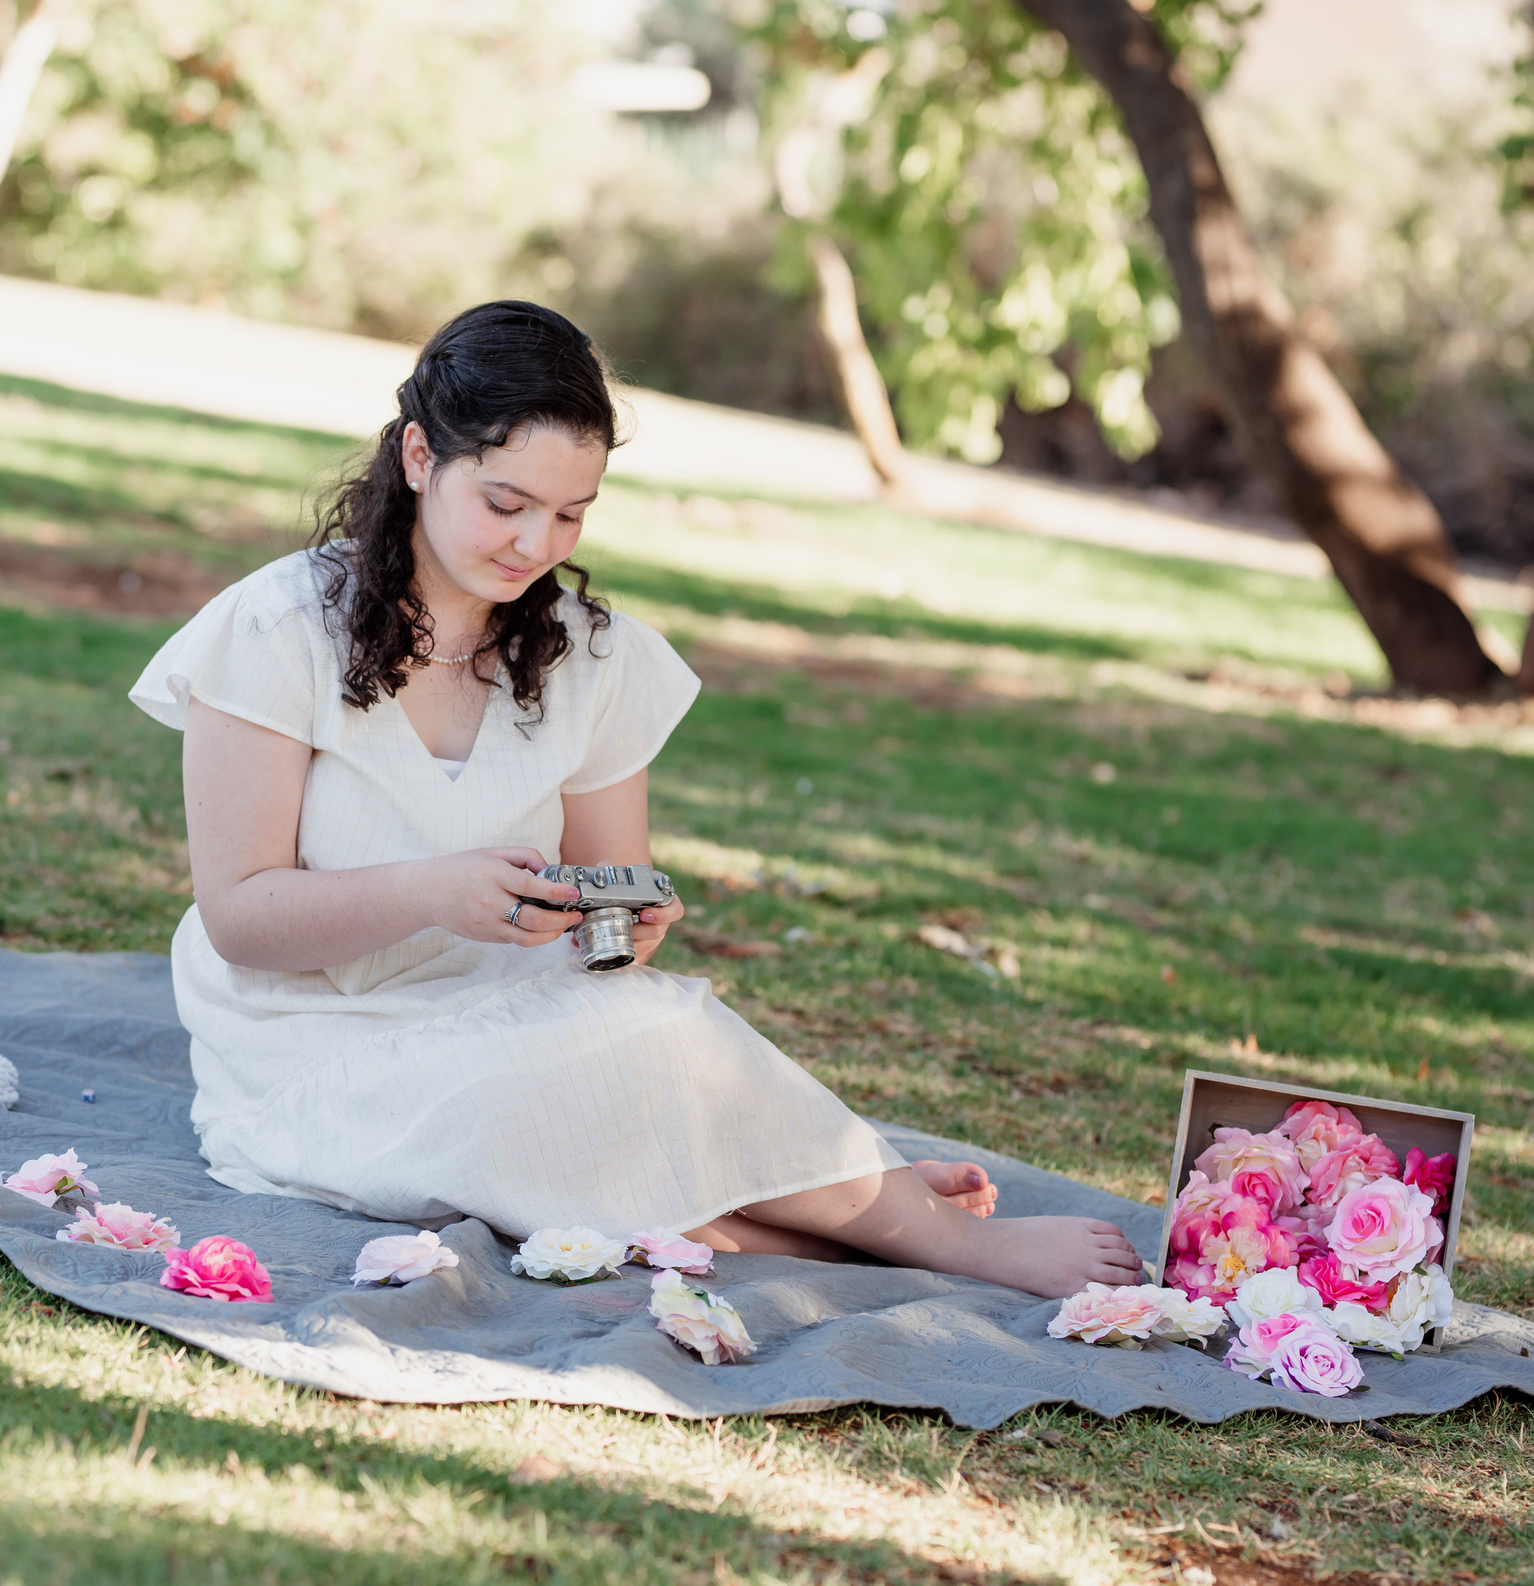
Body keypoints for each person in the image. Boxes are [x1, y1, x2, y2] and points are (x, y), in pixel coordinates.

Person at [130, 301, 1139, 1298]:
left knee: (644, 1028)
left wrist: (622, 921)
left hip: (514, 1012)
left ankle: (838, 1202)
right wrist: (431, 891)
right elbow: (239, 917)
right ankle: (887, 1225)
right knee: (565, 1094)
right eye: (506, 501)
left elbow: (605, 922)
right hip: (312, 1049)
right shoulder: (273, 630)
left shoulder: (592, 653)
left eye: (570, 513)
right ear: (417, 458)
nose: (535, 543)